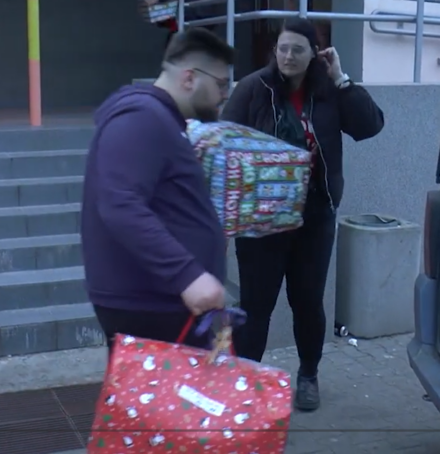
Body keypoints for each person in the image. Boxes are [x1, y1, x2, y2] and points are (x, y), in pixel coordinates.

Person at [220, 18, 384, 412]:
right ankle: (245, 384)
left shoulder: (327, 91)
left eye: (298, 49)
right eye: (282, 48)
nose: (288, 56)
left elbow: (370, 125)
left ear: (316, 54)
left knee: (308, 303)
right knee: (255, 307)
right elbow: (225, 143)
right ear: (273, 51)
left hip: (314, 217)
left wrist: (342, 78)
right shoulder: (253, 88)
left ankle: (308, 375)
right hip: (261, 220)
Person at [81, 27, 234, 356]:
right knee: (162, 406)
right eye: (221, 84)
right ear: (190, 78)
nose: (225, 94)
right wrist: (188, 275)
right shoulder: (142, 119)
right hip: (151, 307)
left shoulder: (159, 120)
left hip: (160, 304)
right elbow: (120, 204)